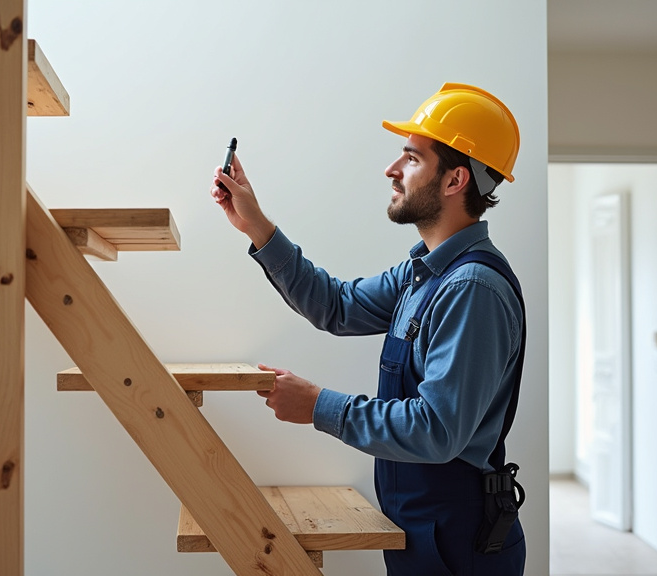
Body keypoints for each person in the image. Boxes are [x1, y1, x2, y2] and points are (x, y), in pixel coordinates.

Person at [210, 83, 527, 576]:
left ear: (454, 179)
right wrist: (256, 227)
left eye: (412, 158)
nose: (391, 169)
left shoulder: (471, 289)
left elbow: (437, 429)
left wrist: (318, 405)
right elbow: (336, 306)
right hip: (423, 530)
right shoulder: (424, 274)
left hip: (458, 542)